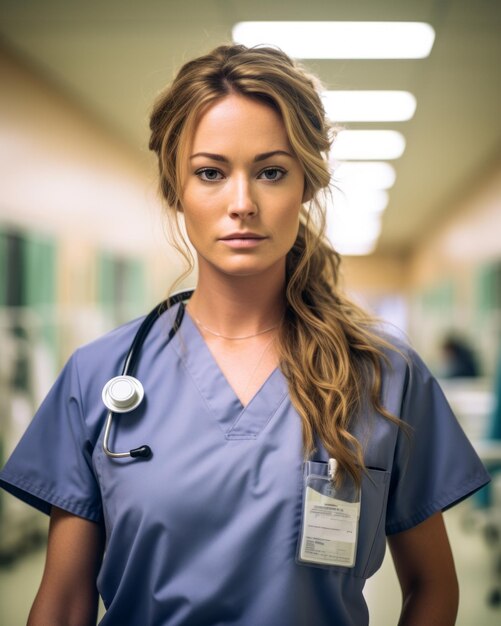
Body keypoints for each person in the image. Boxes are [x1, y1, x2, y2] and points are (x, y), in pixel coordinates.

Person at [0, 44, 490, 626]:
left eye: (271, 172)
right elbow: (62, 604)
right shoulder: (99, 375)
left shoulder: (382, 373)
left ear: (305, 185)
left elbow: (433, 587)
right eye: (210, 173)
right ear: (174, 189)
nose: (242, 204)